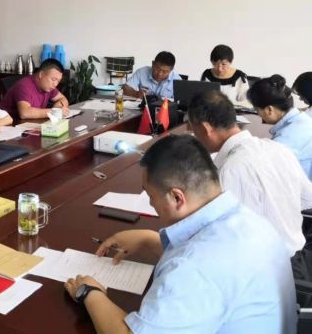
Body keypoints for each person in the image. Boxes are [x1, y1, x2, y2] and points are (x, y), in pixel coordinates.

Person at [65, 134, 296, 333]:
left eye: (151, 196)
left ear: (177, 197)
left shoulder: (193, 269)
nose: (151, 204)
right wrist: (148, 239)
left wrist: (90, 292)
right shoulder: (247, 219)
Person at [187, 89, 312, 255]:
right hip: (298, 254)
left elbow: (227, 237)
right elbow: (307, 199)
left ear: (206, 128)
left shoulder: (231, 169)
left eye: (194, 131)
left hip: (266, 261)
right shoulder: (278, 148)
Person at [248, 74, 312, 178]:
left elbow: (261, 170)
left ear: (269, 110)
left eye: (257, 110)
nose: (258, 114)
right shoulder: (302, 120)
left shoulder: (286, 138)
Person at [0, 58, 69, 121]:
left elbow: (62, 98)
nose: (55, 84)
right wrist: (54, 112)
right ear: (41, 74)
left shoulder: (48, 86)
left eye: (58, 81)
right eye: (53, 79)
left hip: (31, 123)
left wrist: (58, 107)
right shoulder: (24, 86)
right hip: (11, 125)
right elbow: (24, 113)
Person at [200, 44, 251, 108]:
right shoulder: (207, 74)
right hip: (210, 111)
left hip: (232, 111)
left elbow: (246, 102)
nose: (220, 68)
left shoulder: (239, 77)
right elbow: (201, 97)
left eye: (223, 64)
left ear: (230, 62)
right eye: (215, 64)